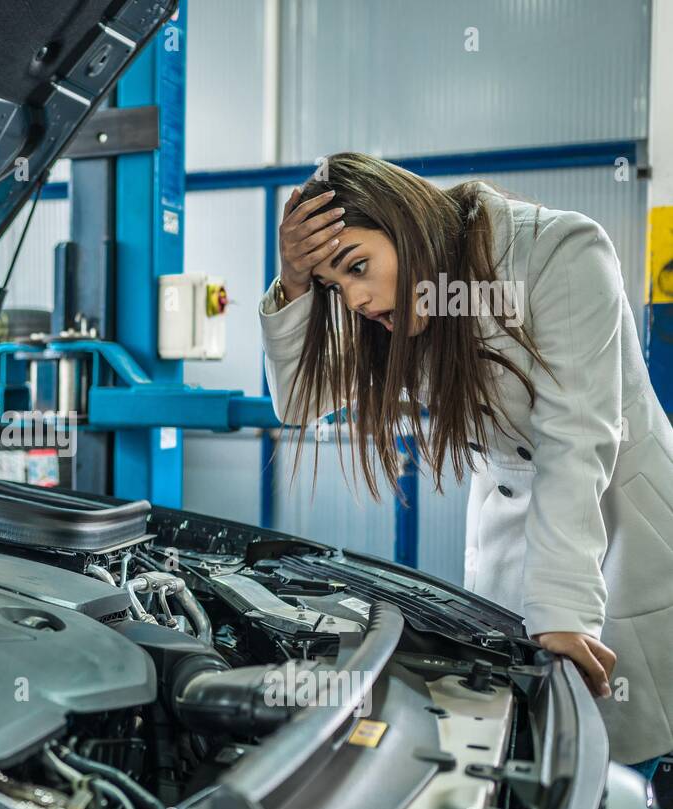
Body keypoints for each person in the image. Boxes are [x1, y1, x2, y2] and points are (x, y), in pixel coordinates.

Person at [259, 152, 673, 776]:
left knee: (627, 764)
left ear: (407, 224)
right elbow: (298, 401)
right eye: (337, 287)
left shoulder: (561, 252)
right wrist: (293, 281)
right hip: (512, 538)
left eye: (359, 267)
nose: (358, 298)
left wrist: (561, 612)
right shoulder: (398, 308)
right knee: (530, 761)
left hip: (620, 526)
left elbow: (575, 441)